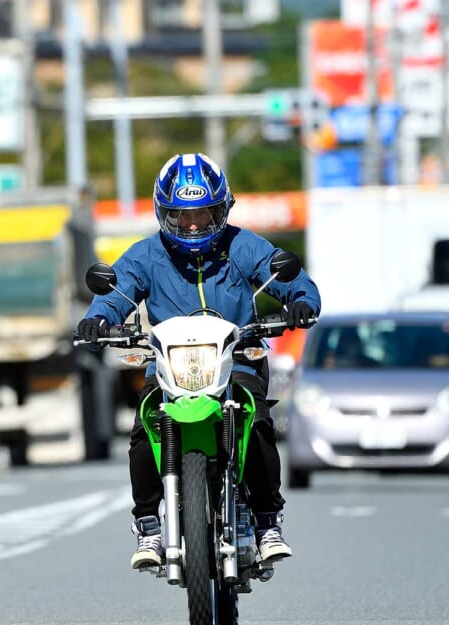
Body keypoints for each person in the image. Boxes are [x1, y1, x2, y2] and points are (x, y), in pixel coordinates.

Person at [76, 153, 321, 570]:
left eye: (203, 214)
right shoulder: (145, 255)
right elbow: (115, 295)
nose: (192, 225)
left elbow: (288, 277)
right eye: (181, 216)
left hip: (236, 359)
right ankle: (149, 524)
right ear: (162, 213)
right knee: (143, 429)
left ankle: (266, 521)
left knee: (258, 423)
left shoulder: (243, 245)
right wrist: (98, 319)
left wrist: (300, 300)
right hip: (169, 367)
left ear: (222, 210)